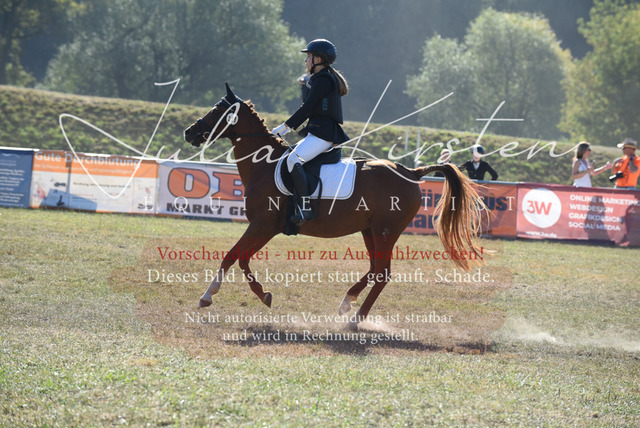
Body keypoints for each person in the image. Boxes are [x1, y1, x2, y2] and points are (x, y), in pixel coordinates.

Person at [271, 39, 350, 225]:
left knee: (293, 160)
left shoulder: (323, 80)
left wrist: (285, 128)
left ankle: (305, 208)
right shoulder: (320, 78)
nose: (306, 60)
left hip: (324, 134)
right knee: (289, 157)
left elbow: (307, 108)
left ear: (318, 59)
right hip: (318, 132)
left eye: (308, 56)